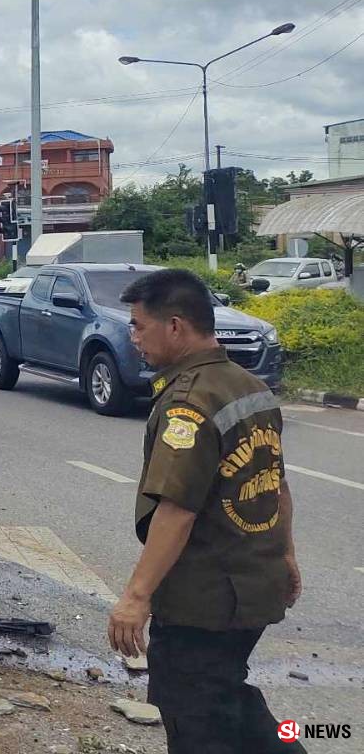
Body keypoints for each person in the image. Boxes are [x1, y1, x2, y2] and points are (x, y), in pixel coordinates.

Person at [107, 268, 303, 754]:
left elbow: (177, 510)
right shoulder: (249, 385)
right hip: (253, 587)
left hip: (206, 600)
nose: (133, 338)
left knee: (194, 715)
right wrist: (286, 556)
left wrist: (136, 597)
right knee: (228, 700)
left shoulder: (188, 402)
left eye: (138, 326)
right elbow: (274, 483)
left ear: (175, 326)